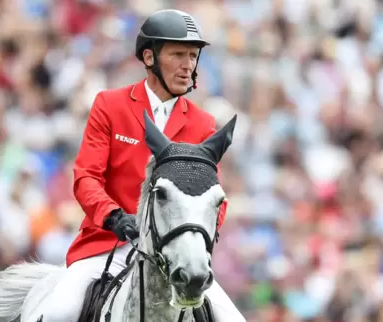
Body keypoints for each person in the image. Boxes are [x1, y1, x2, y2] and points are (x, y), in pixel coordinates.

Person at [36, 9, 246, 322]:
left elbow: (214, 198)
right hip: (109, 245)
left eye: (192, 55)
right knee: (57, 313)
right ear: (149, 57)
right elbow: (86, 178)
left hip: (176, 254)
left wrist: (192, 235)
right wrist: (113, 216)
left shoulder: (203, 124)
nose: (188, 65)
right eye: (178, 54)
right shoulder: (109, 105)